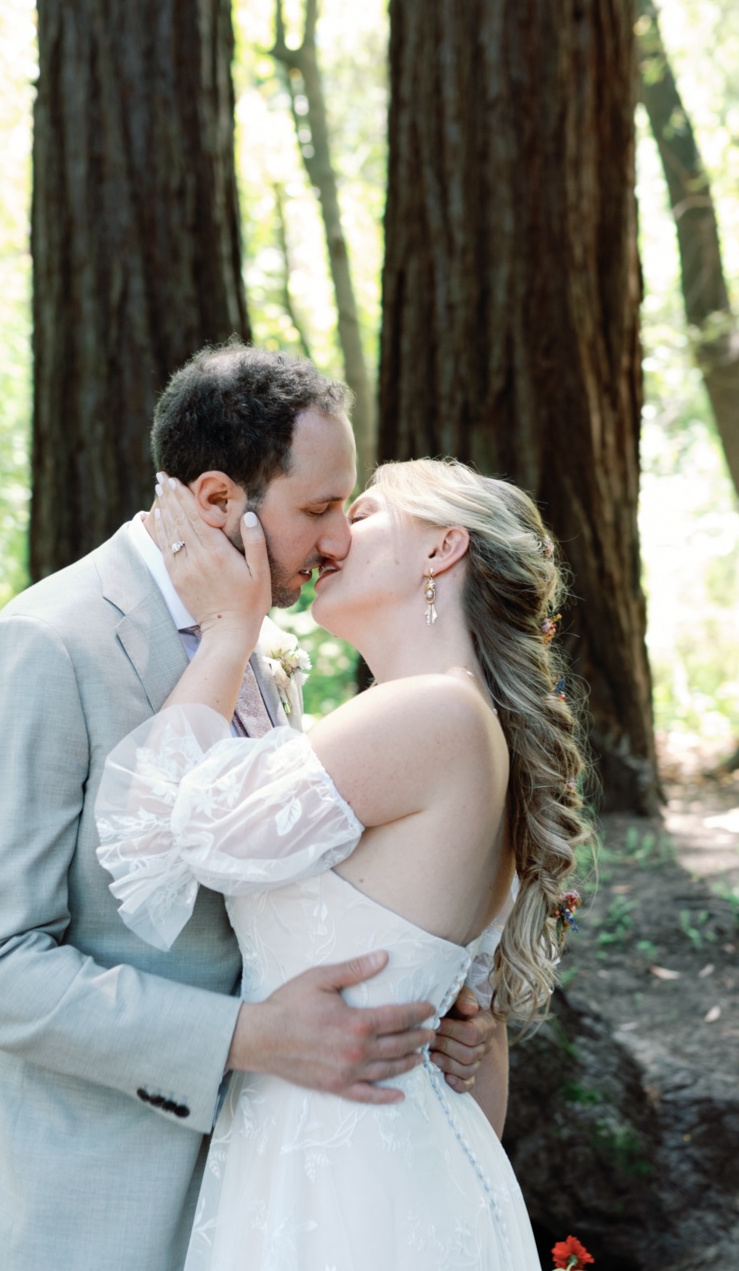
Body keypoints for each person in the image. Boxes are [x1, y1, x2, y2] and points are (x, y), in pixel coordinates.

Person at [0, 345, 502, 1269]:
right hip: (94, 1200)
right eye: (316, 510)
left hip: (269, 1190)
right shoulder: (45, 646)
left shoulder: (259, 641)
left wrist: (425, 995)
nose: (336, 540)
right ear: (221, 500)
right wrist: (249, 1036)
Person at [100, 458, 587, 1268]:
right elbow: (480, 1058)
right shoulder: (459, 722)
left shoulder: (430, 710)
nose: (330, 539)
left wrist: (229, 631)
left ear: (442, 551)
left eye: (360, 515)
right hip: (385, 1171)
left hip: (341, 1192)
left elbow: (159, 833)